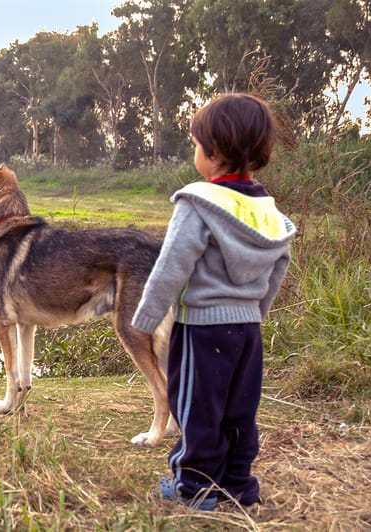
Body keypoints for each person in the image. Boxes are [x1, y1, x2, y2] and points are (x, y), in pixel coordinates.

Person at [131, 93, 296, 511]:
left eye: (194, 143)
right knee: (240, 409)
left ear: (213, 151)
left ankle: (195, 489)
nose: (194, 152)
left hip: (202, 329)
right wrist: (255, 314)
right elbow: (279, 267)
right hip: (248, 332)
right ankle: (238, 484)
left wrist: (147, 317)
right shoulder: (267, 211)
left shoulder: (198, 202)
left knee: (196, 409)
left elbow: (171, 266)